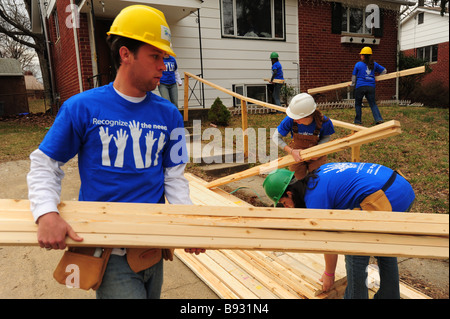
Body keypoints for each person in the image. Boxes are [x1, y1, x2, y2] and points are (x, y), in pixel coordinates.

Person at [27, 5, 204, 299]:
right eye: (156, 56)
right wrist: (46, 212)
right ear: (125, 54)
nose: (164, 65)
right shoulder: (82, 107)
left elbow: (173, 177)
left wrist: (186, 223)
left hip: (152, 247)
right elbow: (46, 163)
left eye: (165, 57)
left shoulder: (169, 114)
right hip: (108, 250)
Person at [263, 163, 416, 299]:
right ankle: (389, 296)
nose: (287, 207)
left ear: (290, 193)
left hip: (387, 197)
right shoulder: (319, 174)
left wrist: (329, 274)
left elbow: (329, 241)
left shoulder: (315, 199)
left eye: (284, 203)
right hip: (401, 187)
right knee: (384, 247)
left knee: (352, 248)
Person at [272, 93, 335, 180]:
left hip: (316, 155)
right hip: (296, 155)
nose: (295, 119)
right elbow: (276, 137)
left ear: (309, 115)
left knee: (317, 180)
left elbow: (326, 137)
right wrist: (291, 151)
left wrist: (318, 150)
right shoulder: (290, 120)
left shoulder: (324, 122)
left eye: (298, 118)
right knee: (297, 181)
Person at [350, 46, 387, 125]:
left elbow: (354, 76)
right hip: (371, 87)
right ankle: (378, 119)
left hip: (360, 87)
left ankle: (358, 121)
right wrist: (378, 77)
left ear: (363, 56)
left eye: (361, 55)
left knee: (358, 104)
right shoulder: (374, 64)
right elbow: (384, 71)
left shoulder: (358, 64)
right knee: (372, 103)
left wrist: (352, 84)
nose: (360, 56)